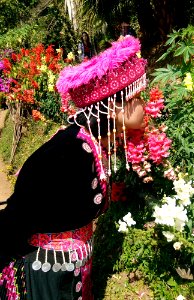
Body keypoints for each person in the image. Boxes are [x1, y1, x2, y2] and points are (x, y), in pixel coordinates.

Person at [0, 35, 147, 300]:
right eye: (137, 96)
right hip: (47, 274)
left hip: (70, 267)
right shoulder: (68, 154)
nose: (143, 105)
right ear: (114, 106)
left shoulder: (91, 143)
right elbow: (20, 212)